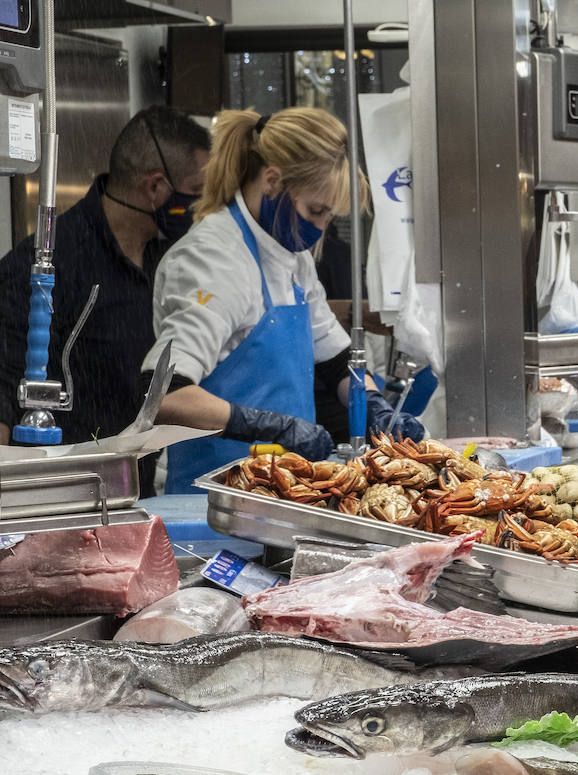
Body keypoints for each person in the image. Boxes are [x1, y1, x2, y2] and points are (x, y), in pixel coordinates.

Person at [144, 107, 423, 494]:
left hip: (284, 494)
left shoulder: (291, 257)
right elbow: (162, 395)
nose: (321, 227)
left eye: (330, 216)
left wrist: (375, 405)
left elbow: (337, 362)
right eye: (316, 210)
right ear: (272, 180)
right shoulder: (213, 258)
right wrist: (268, 426)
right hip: (212, 501)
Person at [0, 106, 209, 452]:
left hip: (138, 483)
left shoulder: (173, 260)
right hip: (69, 487)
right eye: (195, 191)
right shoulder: (45, 267)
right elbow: (4, 391)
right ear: (156, 187)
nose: (201, 206)